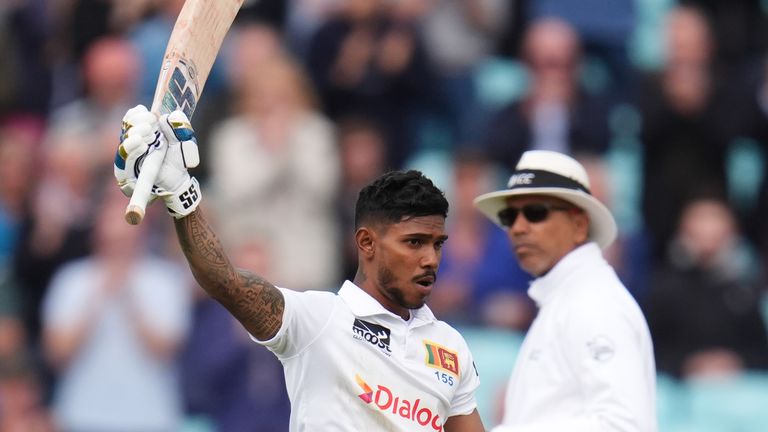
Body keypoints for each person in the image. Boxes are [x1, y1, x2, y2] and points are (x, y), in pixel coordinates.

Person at [113, 105, 486, 431]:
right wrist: (181, 195)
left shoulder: (450, 347)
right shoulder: (318, 319)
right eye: (414, 243)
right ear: (367, 243)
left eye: (437, 244)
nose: (431, 259)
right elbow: (223, 280)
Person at [473, 150, 657, 431]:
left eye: (536, 213)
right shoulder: (571, 298)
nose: (518, 228)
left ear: (579, 225)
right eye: (510, 216)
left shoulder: (594, 304)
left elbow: (624, 425)